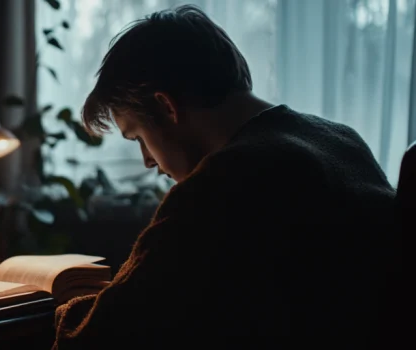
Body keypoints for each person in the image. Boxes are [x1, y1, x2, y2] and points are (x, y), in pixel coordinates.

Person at [52, 4, 403, 349]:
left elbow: (98, 336)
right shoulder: (340, 139)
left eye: (139, 138)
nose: (147, 162)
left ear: (166, 107)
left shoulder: (223, 183)